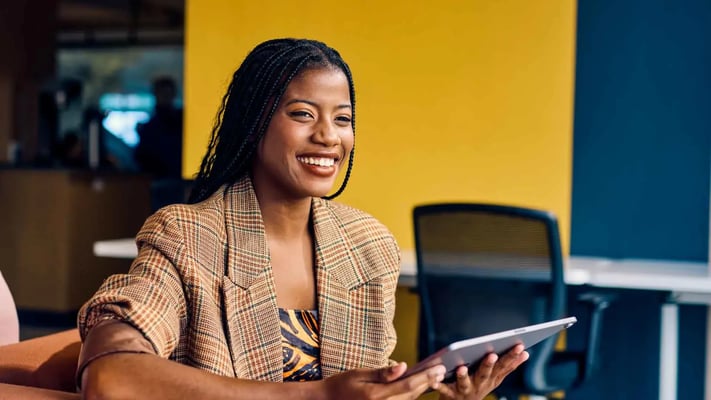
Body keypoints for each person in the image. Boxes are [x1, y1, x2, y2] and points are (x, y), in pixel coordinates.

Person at [76, 38, 528, 400]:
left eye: (343, 118)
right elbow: (111, 378)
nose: (329, 136)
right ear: (255, 124)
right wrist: (315, 395)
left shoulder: (368, 245)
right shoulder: (187, 236)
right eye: (303, 115)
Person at [134, 76, 183, 178]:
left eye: (167, 94)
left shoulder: (181, 121)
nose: (165, 97)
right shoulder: (150, 127)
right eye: (162, 94)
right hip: (161, 178)